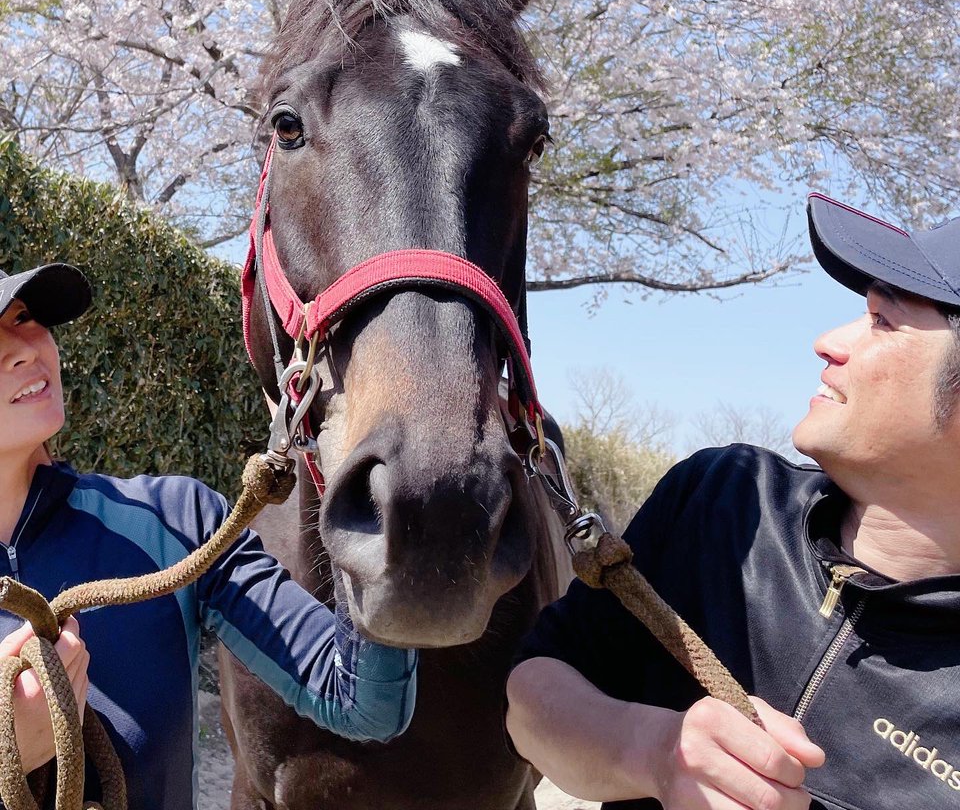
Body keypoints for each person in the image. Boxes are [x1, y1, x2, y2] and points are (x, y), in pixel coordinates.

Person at [506, 191, 960, 810]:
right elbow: (530, 698)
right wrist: (655, 754)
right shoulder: (725, 501)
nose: (827, 341)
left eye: (884, 320)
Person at [0, 260, 417, 808]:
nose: (24, 347)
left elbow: (362, 698)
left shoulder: (177, 520)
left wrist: (372, 471)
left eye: (26, 317)